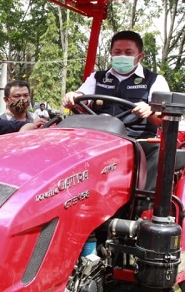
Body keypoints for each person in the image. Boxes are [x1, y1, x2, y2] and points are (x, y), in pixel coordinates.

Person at [63, 30, 169, 190]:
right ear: (111, 54)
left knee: (159, 152)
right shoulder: (97, 77)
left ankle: (144, 204)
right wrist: (72, 97)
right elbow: (81, 96)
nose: (122, 56)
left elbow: (161, 118)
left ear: (140, 56)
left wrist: (150, 110)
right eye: (117, 52)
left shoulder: (154, 80)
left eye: (128, 52)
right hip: (97, 139)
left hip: (137, 141)